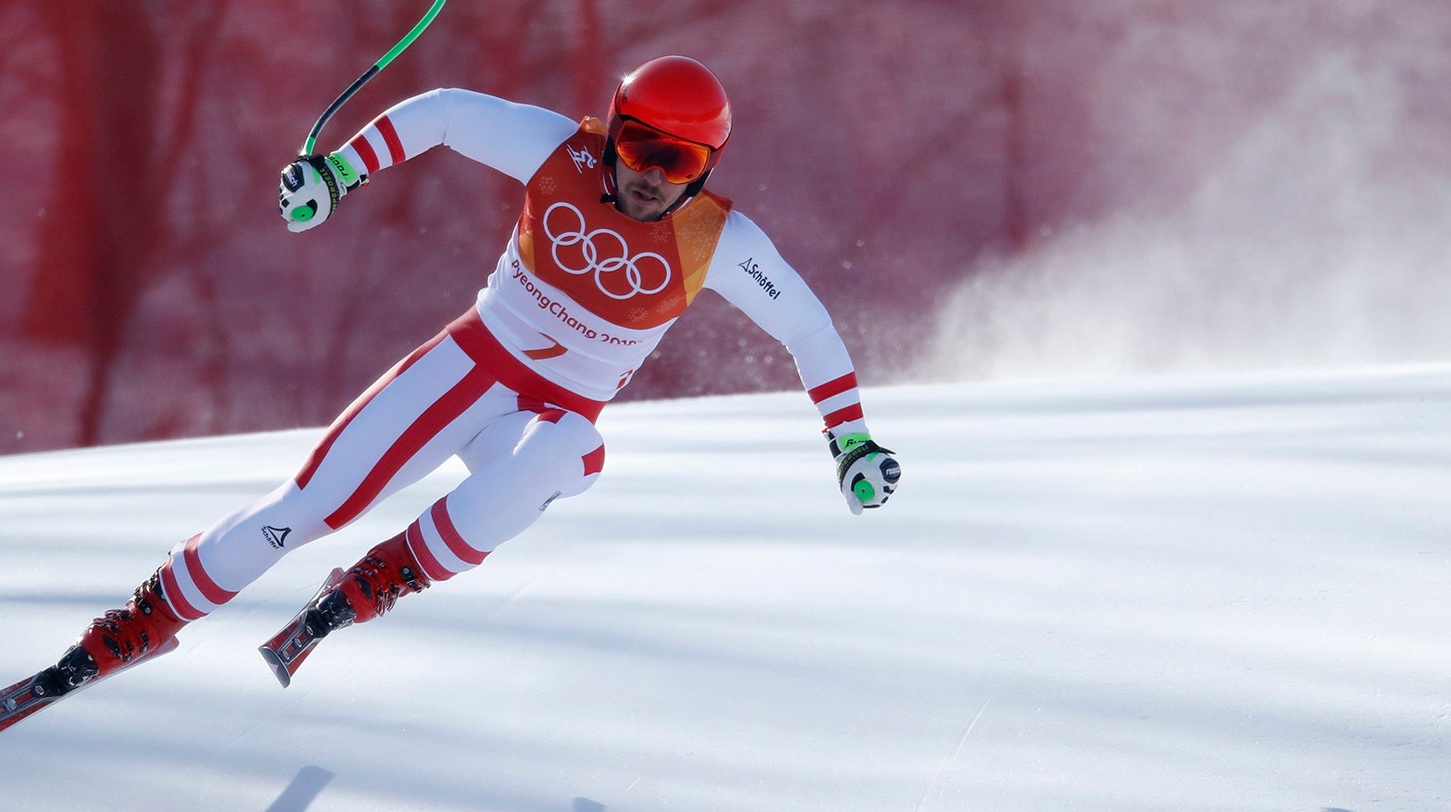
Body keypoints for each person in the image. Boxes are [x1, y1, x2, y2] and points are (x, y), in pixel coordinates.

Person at [62, 55, 899, 691]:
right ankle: (146, 620)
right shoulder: (557, 152)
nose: (649, 173)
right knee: (305, 508)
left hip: (537, 425)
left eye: (678, 163)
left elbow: (808, 328)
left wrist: (850, 442)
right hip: (468, 364)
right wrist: (339, 172)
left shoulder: (722, 243)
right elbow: (449, 114)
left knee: (571, 448)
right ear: (613, 131)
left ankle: (387, 573)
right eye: (639, 145)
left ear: (707, 169)